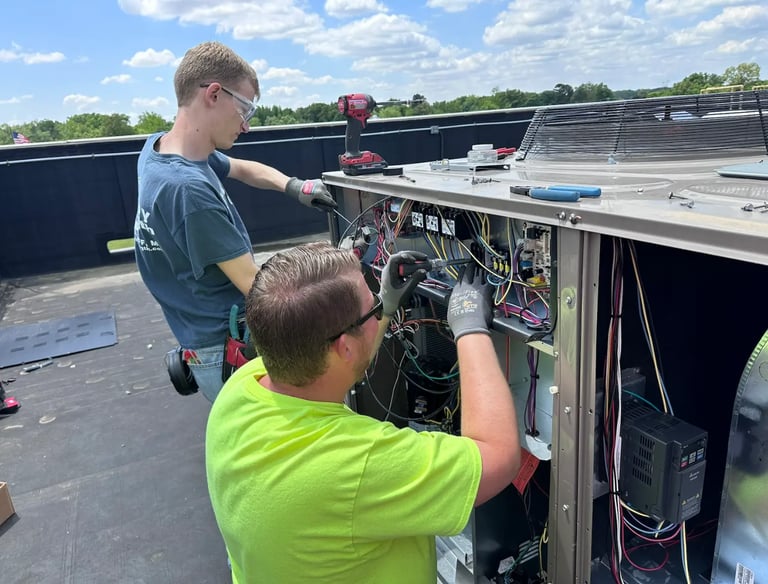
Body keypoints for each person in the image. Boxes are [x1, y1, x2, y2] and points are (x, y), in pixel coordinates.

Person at [205, 242, 521, 584]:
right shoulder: (356, 464)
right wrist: (470, 326)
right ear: (344, 347)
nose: (380, 307)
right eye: (374, 307)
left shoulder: (240, 389)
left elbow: (334, 364)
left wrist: (382, 313)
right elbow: (498, 455)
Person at [133, 41, 336, 403]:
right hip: (225, 353)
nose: (246, 126)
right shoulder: (188, 190)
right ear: (213, 93)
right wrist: (339, 281)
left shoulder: (162, 150)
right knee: (272, 455)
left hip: (201, 340)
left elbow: (244, 168)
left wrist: (293, 186)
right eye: (245, 108)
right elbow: (260, 289)